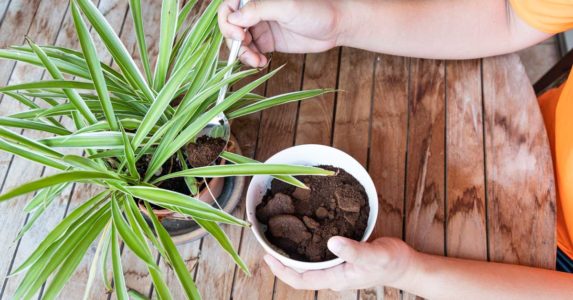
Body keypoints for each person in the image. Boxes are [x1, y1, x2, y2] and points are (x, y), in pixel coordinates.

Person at [218, 0, 573, 298]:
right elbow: (510, 16)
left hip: (544, 266)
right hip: (524, 138)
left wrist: (409, 272)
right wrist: (338, 20)